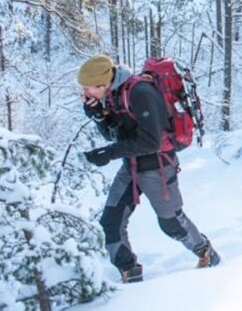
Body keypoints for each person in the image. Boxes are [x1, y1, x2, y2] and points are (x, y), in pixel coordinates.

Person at [78, 55, 219, 283]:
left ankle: (206, 252)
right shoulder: (114, 94)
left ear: (103, 83)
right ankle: (130, 271)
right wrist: (98, 117)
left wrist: (110, 153)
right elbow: (116, 133)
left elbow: (151, 142)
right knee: (111, 222)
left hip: (158, 168)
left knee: (171, 223)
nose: (85, 94)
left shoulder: (141, 93)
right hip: (131, 166)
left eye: (88, 88)